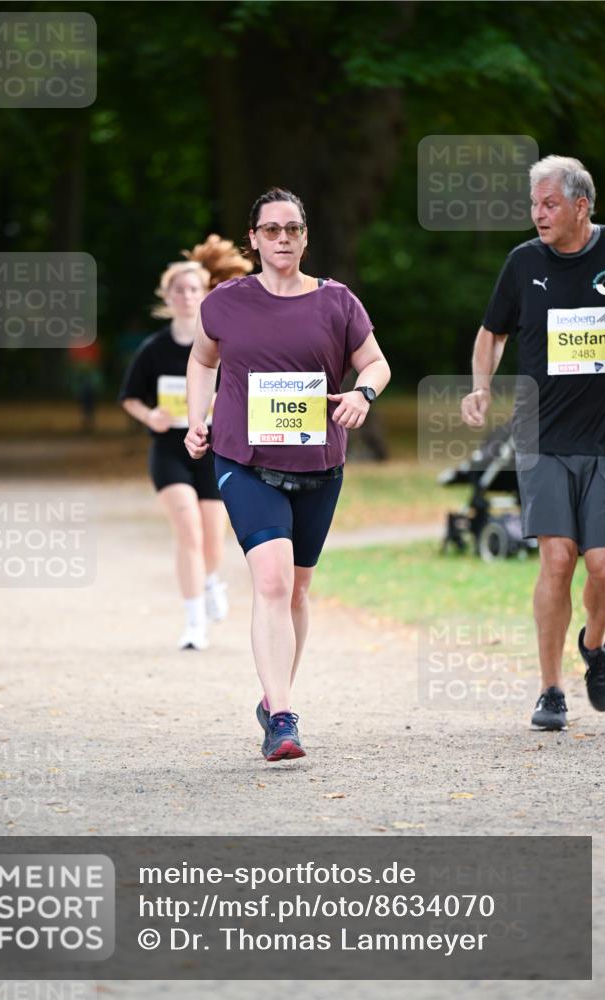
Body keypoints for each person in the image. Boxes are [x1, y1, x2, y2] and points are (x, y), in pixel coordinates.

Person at [185, 188, 391, 761]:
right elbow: (202, 360)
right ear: (252, 238)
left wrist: (364, 394)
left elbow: (375, 361)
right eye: (271, 230)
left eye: (292, 229)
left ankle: (274, 694)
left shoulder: (337, 302)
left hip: (319, 464)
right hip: (244, 462)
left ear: (305, 237)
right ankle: (282, 718)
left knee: (298, 588)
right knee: (272, 582)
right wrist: (195, 419)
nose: (282, 239)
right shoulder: (224, 302)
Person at [461, 155, 605, 731]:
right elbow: (490, 332)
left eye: (550, 204)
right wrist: (480, 387)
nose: (538, 214)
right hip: (543, 435)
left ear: (581, 206)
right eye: (534, 204)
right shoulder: (523, 263)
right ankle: (551, 689)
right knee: (557, 558)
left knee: (604, 565)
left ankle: (594, 646)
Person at [119, 236, 251, 650]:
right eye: (179, 290)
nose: (186, 296)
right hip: (169, 452)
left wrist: (219, 407)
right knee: (189, 534)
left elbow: (241, 391)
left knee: (212, 539)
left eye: (194, 289)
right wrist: (150, 416)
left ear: (206, 293)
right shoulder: (153, 349)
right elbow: (130, 397)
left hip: (213, 450)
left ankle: (211, 580)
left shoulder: (220, 344)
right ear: (168, 296)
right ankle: (194, 623)